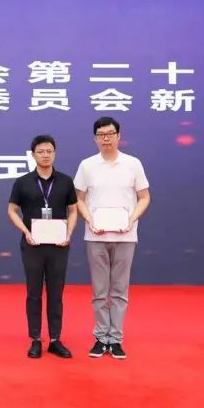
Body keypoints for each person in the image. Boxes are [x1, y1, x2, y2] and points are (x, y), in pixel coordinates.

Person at [74, 117, 151, 360]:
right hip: (95, 236)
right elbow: (78, 199)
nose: (105, 138)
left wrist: (132, 219)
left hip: (125, 236)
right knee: (99, 291)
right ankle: (100, 337)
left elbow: (144, 197)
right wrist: (89, 220)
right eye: (101, 135)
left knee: (119, 290)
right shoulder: (87, 165)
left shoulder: (132, 164)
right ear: (95, 138)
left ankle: (115, 339)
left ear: (119, 136)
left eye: (110, 134)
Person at [6, 134, 78, 359]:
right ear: (33, 155)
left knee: (56, 293)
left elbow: (73, 210)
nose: (45, 155)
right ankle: (35, 339)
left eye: (49, 151)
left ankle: (55, 339)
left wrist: (68, 233)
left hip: (59, 245)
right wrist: (25, 231)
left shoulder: (65, 181)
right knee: (34, 293)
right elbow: (11, 210)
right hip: (33, 245)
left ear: (54, 153)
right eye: (41, 152)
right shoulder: (23, 182)